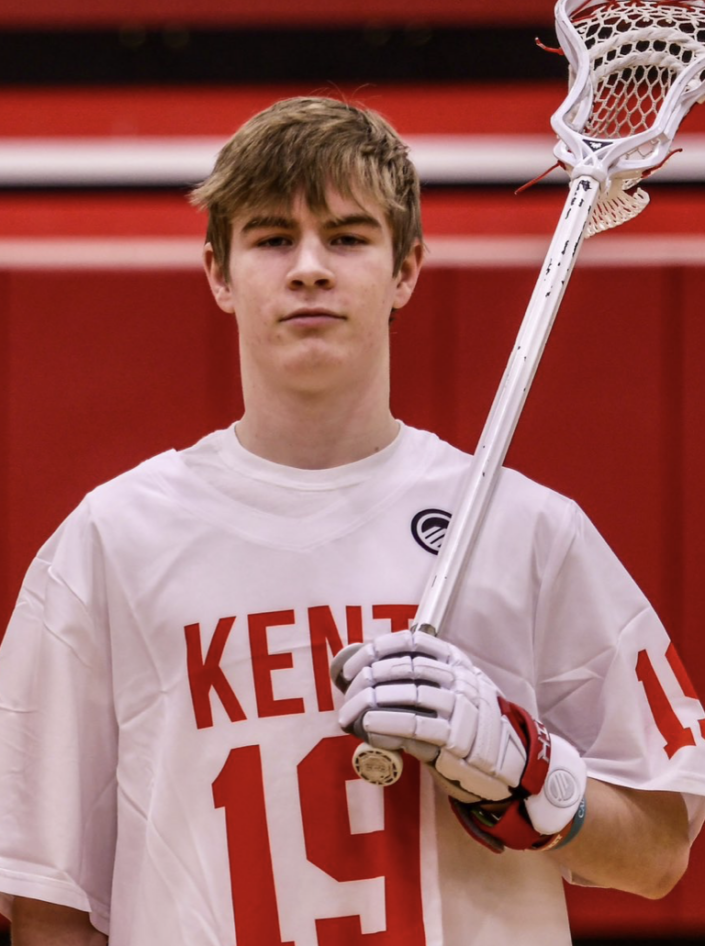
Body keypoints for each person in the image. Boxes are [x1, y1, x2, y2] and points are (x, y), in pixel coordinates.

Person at [0, 96, 703, 946]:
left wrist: (529, 773)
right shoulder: (109, 544)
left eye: (345, 237)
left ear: (405, 269)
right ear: (219, 273)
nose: (308, 268)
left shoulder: (525, 532)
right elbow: (48, 903)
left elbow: (659, 853)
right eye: (271, 239)